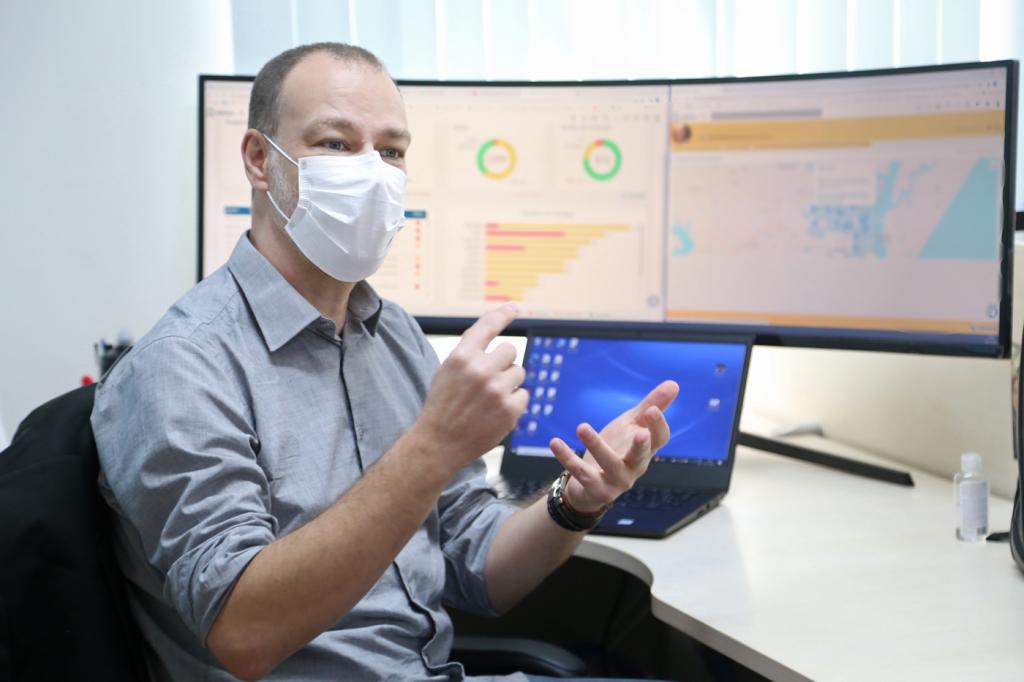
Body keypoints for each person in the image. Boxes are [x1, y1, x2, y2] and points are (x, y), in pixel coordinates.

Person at [92, 42, 679, 682]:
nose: (372, 173)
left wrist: (577, 501)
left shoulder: (391, 332)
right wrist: (434, 445)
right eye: (336, 144)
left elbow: (478, 568)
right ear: (260, 160)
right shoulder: (181, 367)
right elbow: (243, 632)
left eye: (391, 151)